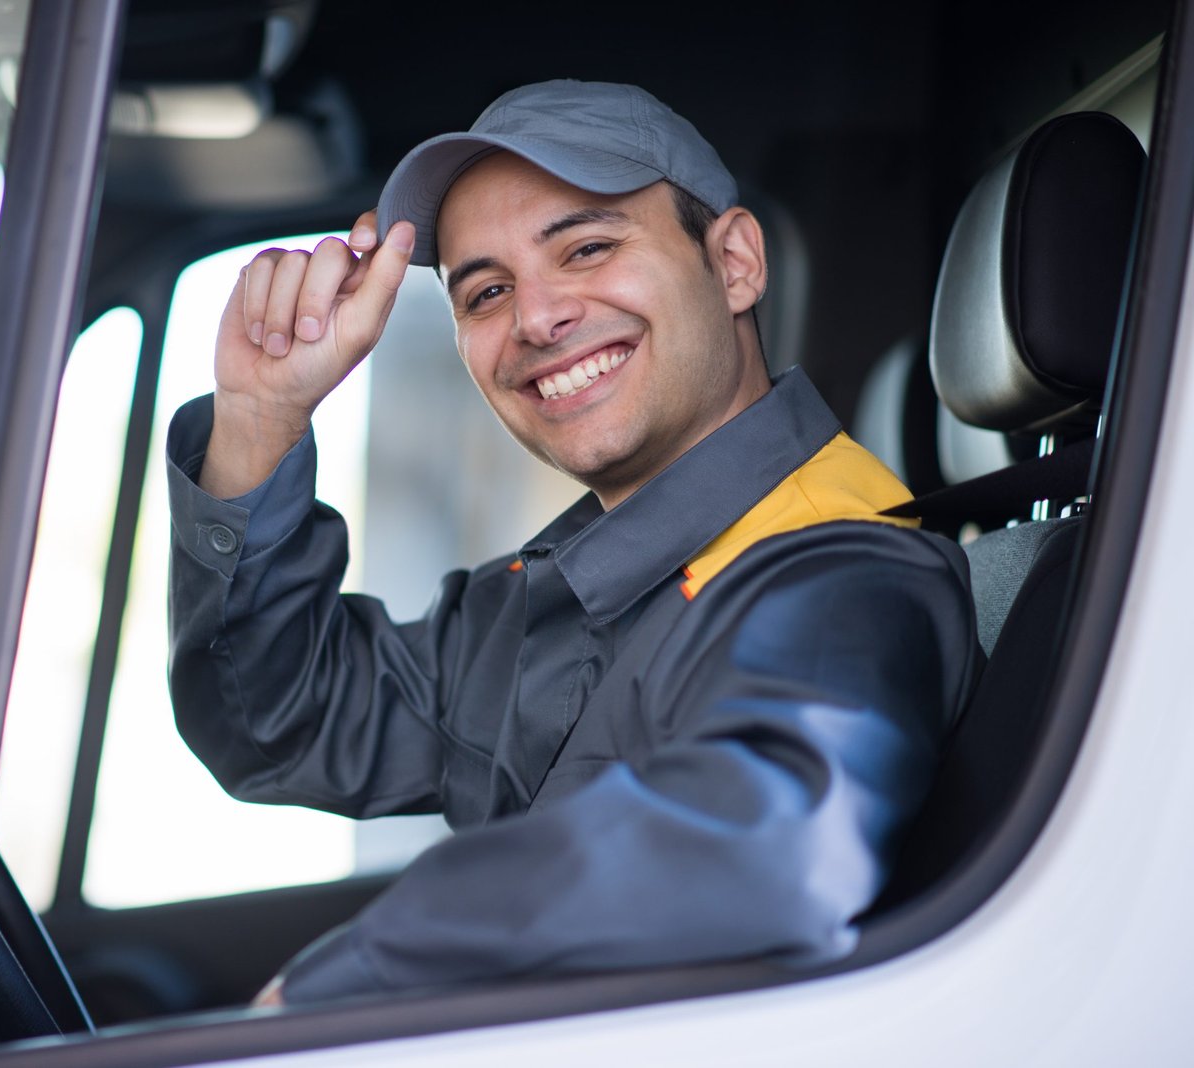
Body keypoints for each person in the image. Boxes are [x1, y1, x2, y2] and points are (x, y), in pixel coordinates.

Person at [164, 80, 981, 1007]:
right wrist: (261, 416)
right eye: (486, 291)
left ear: (737, 263)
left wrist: (341, 990)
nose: (537, 319)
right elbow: (277, 724)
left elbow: (762, 854)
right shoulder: (553, 595)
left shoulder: (838, 572)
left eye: (588, 247)